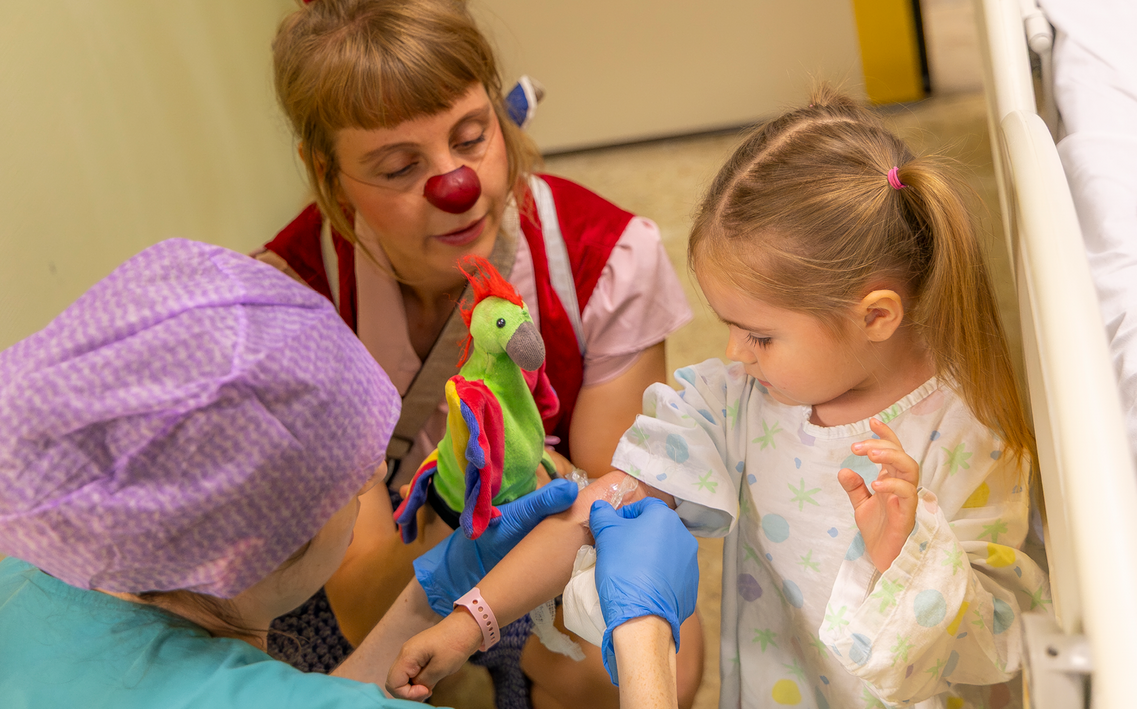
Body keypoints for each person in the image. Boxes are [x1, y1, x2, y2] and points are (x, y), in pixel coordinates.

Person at [388, 89, 1052, 709]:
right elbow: (598, 508)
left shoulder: (965, 432)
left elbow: (998, 640)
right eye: (729, 325)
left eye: (759, 333)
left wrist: (907, 554)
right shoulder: (732, 401)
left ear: (875, 315)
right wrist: (469, 623)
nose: (733, 351)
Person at [0, 239, 697, 709]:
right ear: (253, 547)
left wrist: (428, 602)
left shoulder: (22, 582)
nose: (379, 482)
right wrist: (643, 646)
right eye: (361, 482)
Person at [253, 2, 701, 705]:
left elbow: (620, 522)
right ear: (326, 172)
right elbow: (366, 605)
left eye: (472, 135)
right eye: (400, 167)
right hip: (396, 584)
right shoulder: (294, 299)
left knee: (617, 664)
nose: (457, 187)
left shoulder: (604, 260)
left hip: (549, 566)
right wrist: (455, 498)